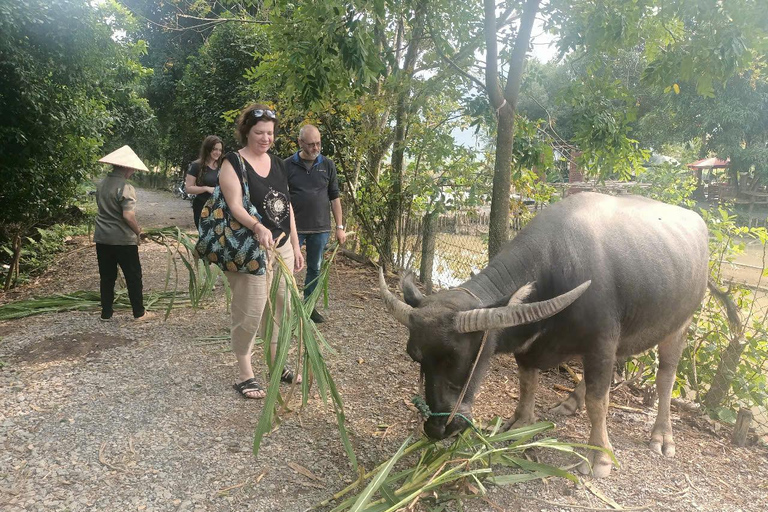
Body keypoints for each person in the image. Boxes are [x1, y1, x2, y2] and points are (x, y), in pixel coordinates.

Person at [220, 104, 305, 399]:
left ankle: (275, 362)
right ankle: (245, 372)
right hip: (250, 250)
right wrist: (257, 226)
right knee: (251, 310)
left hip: (281, 247)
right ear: (246, 131)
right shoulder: (233, 162)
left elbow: (287, 205)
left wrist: (295, 244)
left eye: (270, 133)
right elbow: (235, 206)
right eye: (259, 132)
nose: (265, 138)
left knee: (282, 307)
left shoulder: (279, 164)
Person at [284, 124, 347, 323]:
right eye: (311, 144)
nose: (315, 148)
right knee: (286, 268)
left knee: (315, 268)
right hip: (294, 229)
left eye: (318, 143)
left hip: (320, 228)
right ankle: (286, 306)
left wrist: (340, 227)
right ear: (300, 142)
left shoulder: (328, 165)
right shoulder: (286, 165)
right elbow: (280, 198)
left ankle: (309, 307)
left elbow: (335, 197)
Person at [94, 145, 155, 322]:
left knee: (107, 276)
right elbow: (128, 216)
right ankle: (139, 312)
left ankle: (106, 313)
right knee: (133, 276)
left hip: (102, 238)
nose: (133, 172)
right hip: (122, 240)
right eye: (132, 169)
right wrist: (139, 231)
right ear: (126, 167)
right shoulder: (125, 187)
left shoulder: (102, 184)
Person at [185, 135, 223, 229]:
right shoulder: (196, 165)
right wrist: (206, 188)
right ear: (207, 149)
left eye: (220, 150)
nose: (218, 152)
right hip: (202, 206)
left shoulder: (223, 166)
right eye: (215, 149)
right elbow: (188, 188)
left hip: (220, 207)